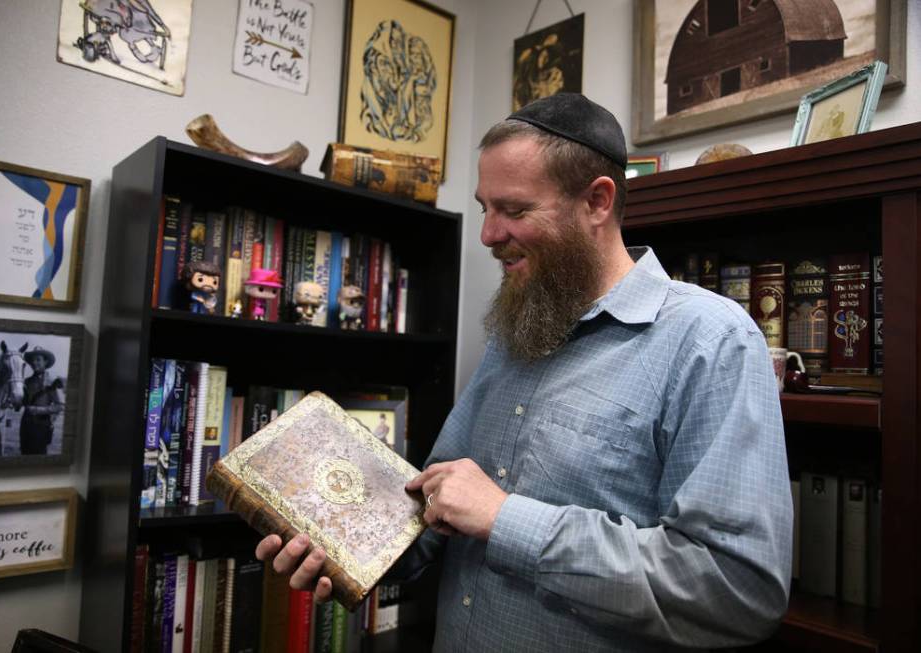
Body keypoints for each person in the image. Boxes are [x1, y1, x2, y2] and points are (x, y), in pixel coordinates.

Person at [256, 94, 792, 650]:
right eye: (485, 207)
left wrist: (507, 519)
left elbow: (737, 591)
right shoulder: (519, 324)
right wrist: (341, 542)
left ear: (597, 202)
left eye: (513, 210)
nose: (487, 234)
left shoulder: (710, 341)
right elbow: (438, 514)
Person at [20, 346, 64, 455]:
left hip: (41, 425)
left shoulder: (53, 381)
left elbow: (60, 406)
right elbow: (22, 404)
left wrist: (38, 410)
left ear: (46, 361)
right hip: (25, 425)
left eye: (38, 359)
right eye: (32, 360)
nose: (34, 363)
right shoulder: (26, 381)